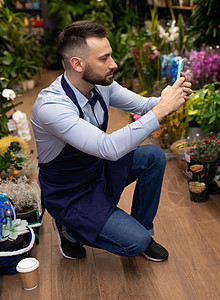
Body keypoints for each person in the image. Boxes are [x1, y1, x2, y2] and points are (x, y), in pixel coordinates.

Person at [30, 20, 192, 261]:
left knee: (154, 156)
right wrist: (161, 110)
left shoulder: (100, 85)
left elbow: (144, 105)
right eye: (104, 58)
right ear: (77, 63)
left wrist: (169, 97)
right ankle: (69, 230)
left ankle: (144, 229)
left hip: (96, 169)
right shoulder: (51, 107)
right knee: (133, 244)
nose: (113, 64)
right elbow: (109, 147)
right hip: (71, 192)